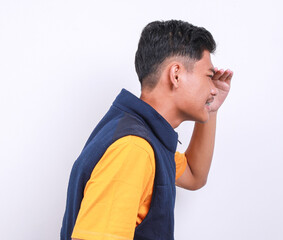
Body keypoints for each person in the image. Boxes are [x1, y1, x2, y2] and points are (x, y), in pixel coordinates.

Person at [61, 20, 233, 240]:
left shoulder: (142, 133)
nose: (213, 88)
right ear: (176, 74)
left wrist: (211, 109)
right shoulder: (134, 148)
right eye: (209, 76)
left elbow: (194, 174)